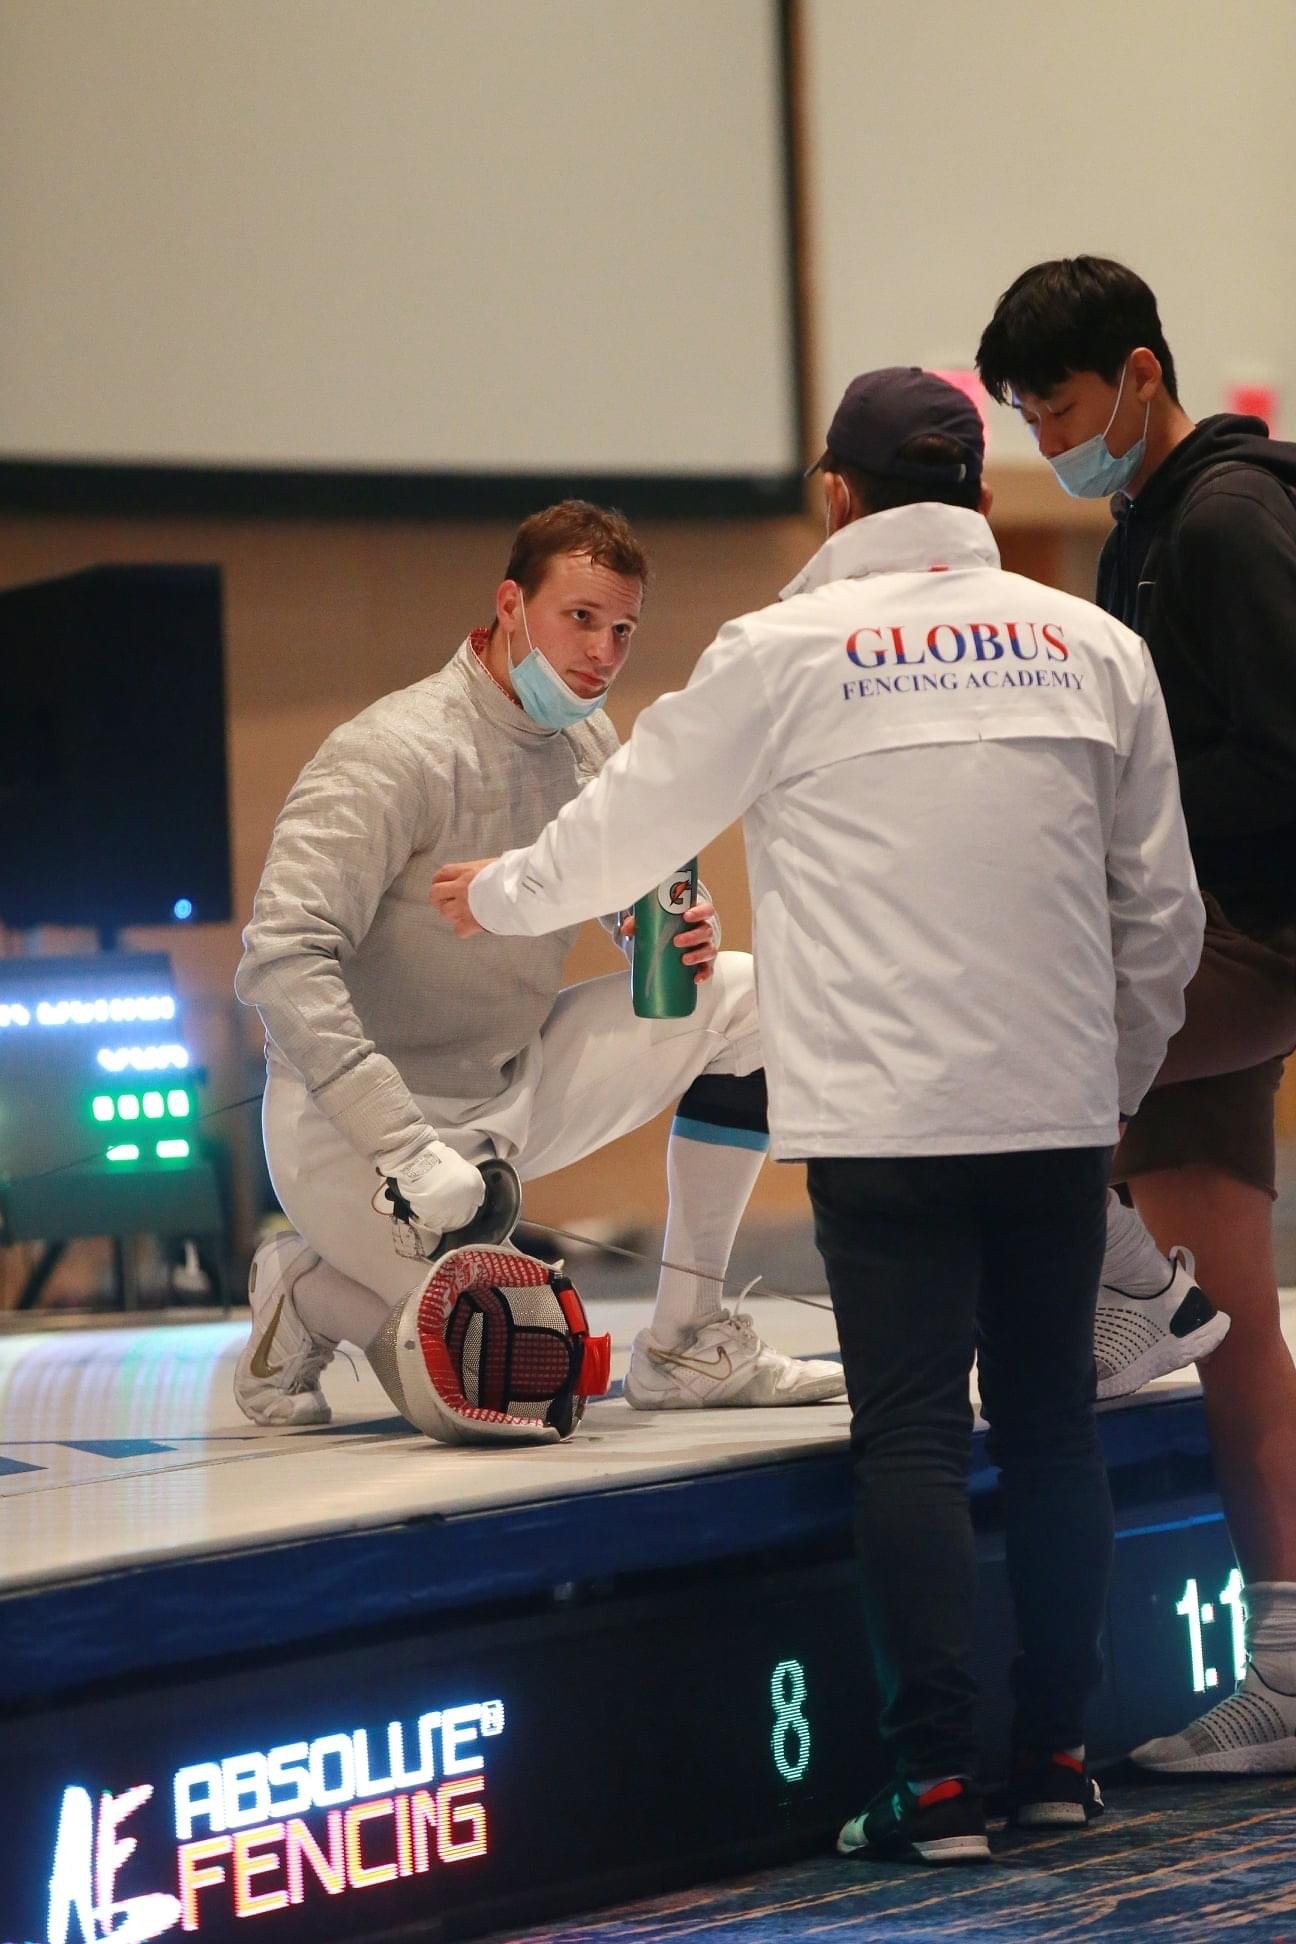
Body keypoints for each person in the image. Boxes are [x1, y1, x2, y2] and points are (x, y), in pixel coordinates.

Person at [430, 369, 1204, 1861]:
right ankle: (1056, 1753)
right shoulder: (1093, 645)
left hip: (884, 1123)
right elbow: (1160, 913)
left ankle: (932, 1788)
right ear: (978, 489)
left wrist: (503, 894)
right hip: (1051, 1112)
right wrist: (1105, 1078)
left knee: (911, 1438)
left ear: (833, 493)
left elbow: (622, 834)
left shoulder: (777, 651)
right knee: (1051, 1431)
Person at [234, 499, 845, 1429]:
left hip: (508, 1095)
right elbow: (281, 959)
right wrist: (402, 1144)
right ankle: (302, 1289)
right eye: (581, 618)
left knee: (745, 998)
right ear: (511, 604)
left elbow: (604, 891)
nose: (603, 651)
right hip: (352, 1135)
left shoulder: (588, 745)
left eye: (624, 629)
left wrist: (653, 938)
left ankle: (688, 1341)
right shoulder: (390, 753)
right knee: (492, 1390)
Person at [977, 257, 1296, 1777]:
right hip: (1215, 937)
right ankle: (1291, 1675)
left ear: (1145, 375)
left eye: (1064, 402)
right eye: (1028, 413)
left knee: (1040, 1057)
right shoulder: (1142, 536)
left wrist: (1126, 813)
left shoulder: (1229, 523)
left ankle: (1121, 1292)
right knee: (1238, 1340)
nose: (1048, 434)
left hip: (1261, 936)